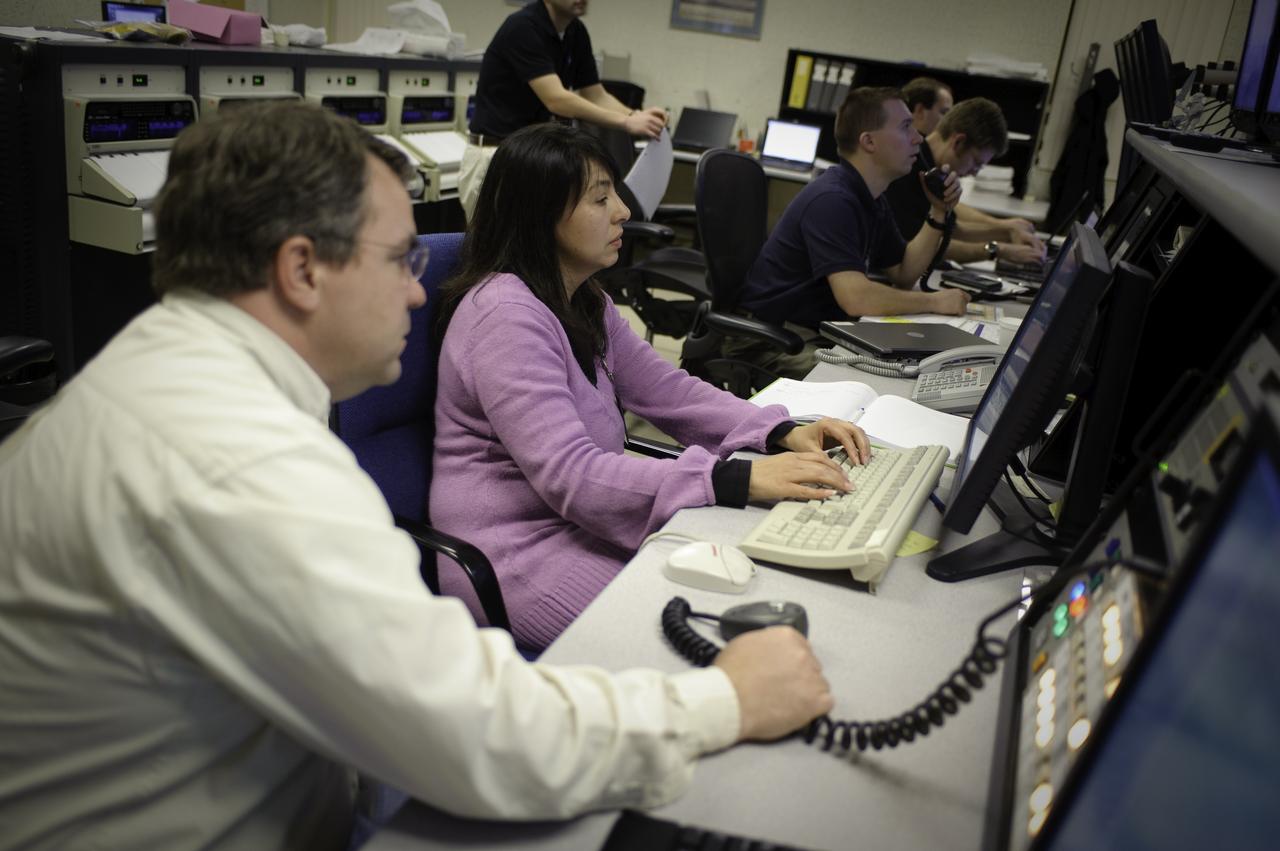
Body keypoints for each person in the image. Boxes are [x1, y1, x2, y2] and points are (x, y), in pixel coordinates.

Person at [0, 102, 835, 850]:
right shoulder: (242, 463)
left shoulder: (150, 387)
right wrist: (722, 701)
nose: (416, 294)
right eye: (401, 259)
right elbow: (471, 731)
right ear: (302, 269)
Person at [431, 122, 871, 651]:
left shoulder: (582, 298)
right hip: (516, 558)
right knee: (710, 646)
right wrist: (736, 478)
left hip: (585, 526)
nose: (624, 211)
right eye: (600, 199)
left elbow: (668, 390)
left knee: (760, 595)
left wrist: (777, 430)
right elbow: (573, 475)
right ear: (540, 215)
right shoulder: (504, 317)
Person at [733, 87, 971, 380]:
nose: (918, 138)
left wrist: (938, 211)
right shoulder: (833, 200)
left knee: (907, 371)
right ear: (869, 141)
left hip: (810, 332)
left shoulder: (870, 197)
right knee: (872, 382)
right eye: (905, 127)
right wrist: (935, 301)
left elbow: (904, 272)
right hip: (769, 339)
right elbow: (855, 297)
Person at [459, 0, 667, 220]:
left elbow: (595, 94)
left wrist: (635, 115)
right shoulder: (522, 27)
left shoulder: (575, 31)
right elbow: (556, 99)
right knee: (497, 240)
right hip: (495, 155)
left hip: (532, 158)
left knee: (536, 240)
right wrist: (626, 122)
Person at [885, 96, 1047, 265]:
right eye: (976, 162)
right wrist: (997, 249)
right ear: (958, 142)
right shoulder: (908, 170)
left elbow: (952, 229)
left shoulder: (932, 170)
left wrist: (1007, 230)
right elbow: (922, 245)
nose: (974, 173)